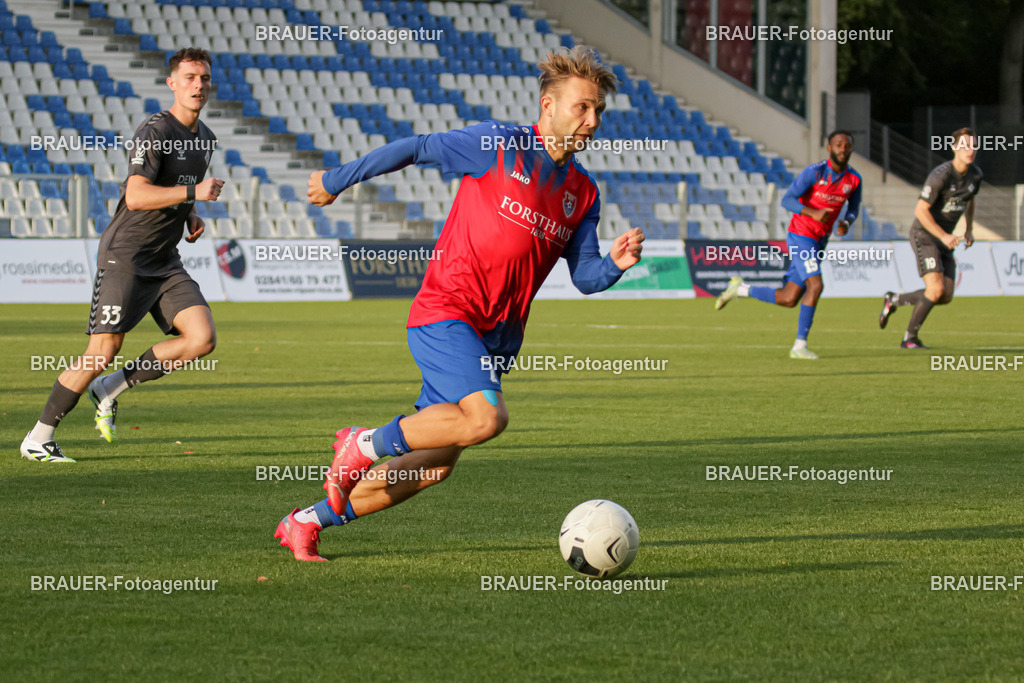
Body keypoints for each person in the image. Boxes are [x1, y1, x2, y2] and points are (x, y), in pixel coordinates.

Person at [274, 46, 645, 561]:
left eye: (599, 111)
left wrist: (616, 265)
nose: (593, 120)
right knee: (486, 419)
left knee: (433, 467)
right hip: (447, 311)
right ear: (548, 105)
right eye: (583, 107)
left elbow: (584, 276)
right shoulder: (498, 144)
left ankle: (304, 521)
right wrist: (337, 181)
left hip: (495, 339)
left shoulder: (582, 191)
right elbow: (415, 146)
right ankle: (361, 444)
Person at [19, 47, 224, 462]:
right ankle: (38, 438)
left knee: (202, 338)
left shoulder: (205, 139)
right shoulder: (155, 130)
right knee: (101, 351)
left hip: (165, 259)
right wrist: (192, 194)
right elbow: (135, 194)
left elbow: (179, 184)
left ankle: (111, 387)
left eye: (203, 78)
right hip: (127, 255)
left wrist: (191, 214)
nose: (197, 85)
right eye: (189, 77)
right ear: (172, 83)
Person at [715, 131, 862, 359]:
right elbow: (787, 199)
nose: (843, 149)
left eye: (847, 146)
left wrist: (847, 222)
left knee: (789, 298)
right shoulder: (814, 172)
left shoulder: (854, 179)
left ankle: (740, 289)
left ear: (851, 149)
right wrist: (813, 213)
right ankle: (799, 346)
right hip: (802, 235)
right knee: (816, 286)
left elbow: (853, 208)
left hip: (820, 240)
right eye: (838, 145)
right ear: (829, 148)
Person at [878, 127, 980, 348]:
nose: (969, 150)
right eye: (964, 145)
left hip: (945, 239)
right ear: (954, 148)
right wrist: (943, 235)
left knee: (945, 295)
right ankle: (910, 339)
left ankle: (894, 300)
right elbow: (920, 211)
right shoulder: (941, 175)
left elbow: (970, 200)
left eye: (973, 145)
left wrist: (969, 229)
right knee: (935, 289)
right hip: (925, 235)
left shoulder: (976, 175)